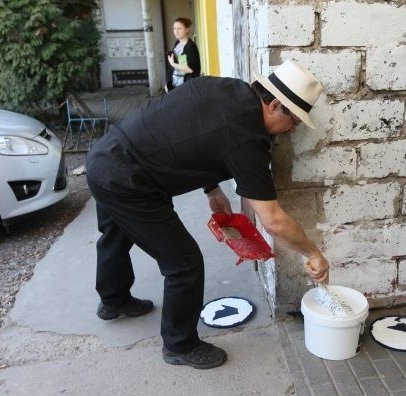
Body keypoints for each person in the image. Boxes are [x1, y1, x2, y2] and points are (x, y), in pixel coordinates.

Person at [86, 60, 330, 370]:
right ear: (275, 105)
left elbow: (188, 132)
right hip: (129, 182)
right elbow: (273, 220)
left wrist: (212, 188)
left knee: (115, 235)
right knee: (183, 263)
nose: (292, 130)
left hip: (105, 156)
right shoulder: (247, 137)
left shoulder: (225, 88)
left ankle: (113, 299)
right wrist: (313, 253)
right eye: (294, 121)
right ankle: (180, 344)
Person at [165, 17, 201, 92]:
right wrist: (168, 83)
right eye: (174, 28)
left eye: (179, 28)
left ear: (187, 29)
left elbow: (189, 70)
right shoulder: (177, 43)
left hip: (186, 87)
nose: (176, 31)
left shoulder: (190, 47)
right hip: (174, 85)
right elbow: (175, 68)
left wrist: (173, 64)